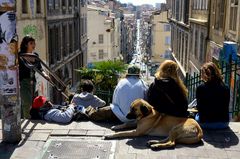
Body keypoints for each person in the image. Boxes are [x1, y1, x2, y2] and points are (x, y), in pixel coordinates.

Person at [84, 65, 149, 123]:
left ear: (128, 73)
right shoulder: (143, 83)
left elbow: (114, 101)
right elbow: (146, 101)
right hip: (137, 119)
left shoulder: (121, 82)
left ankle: (87, 111)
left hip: (119, 116)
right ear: (138, 74)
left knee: (96, 113)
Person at [18, 36, 50, 118]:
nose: (34, 45)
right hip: (23, 81)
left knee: (33, 101)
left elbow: (39, 68)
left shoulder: (35, 55)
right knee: (26, 101)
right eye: (31, 43)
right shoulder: (20, 55)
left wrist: (45, 75)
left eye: (34, 43)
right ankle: (27, 118)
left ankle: (33, 116)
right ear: (25, 45)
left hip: (33, 81)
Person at [196, 62, 230, 129]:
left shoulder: (200, 88)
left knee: (195, 116)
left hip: (205, 123)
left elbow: (200, 107)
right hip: (223, 123)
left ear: (205, 75)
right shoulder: (226, 87)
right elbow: (226, 105)